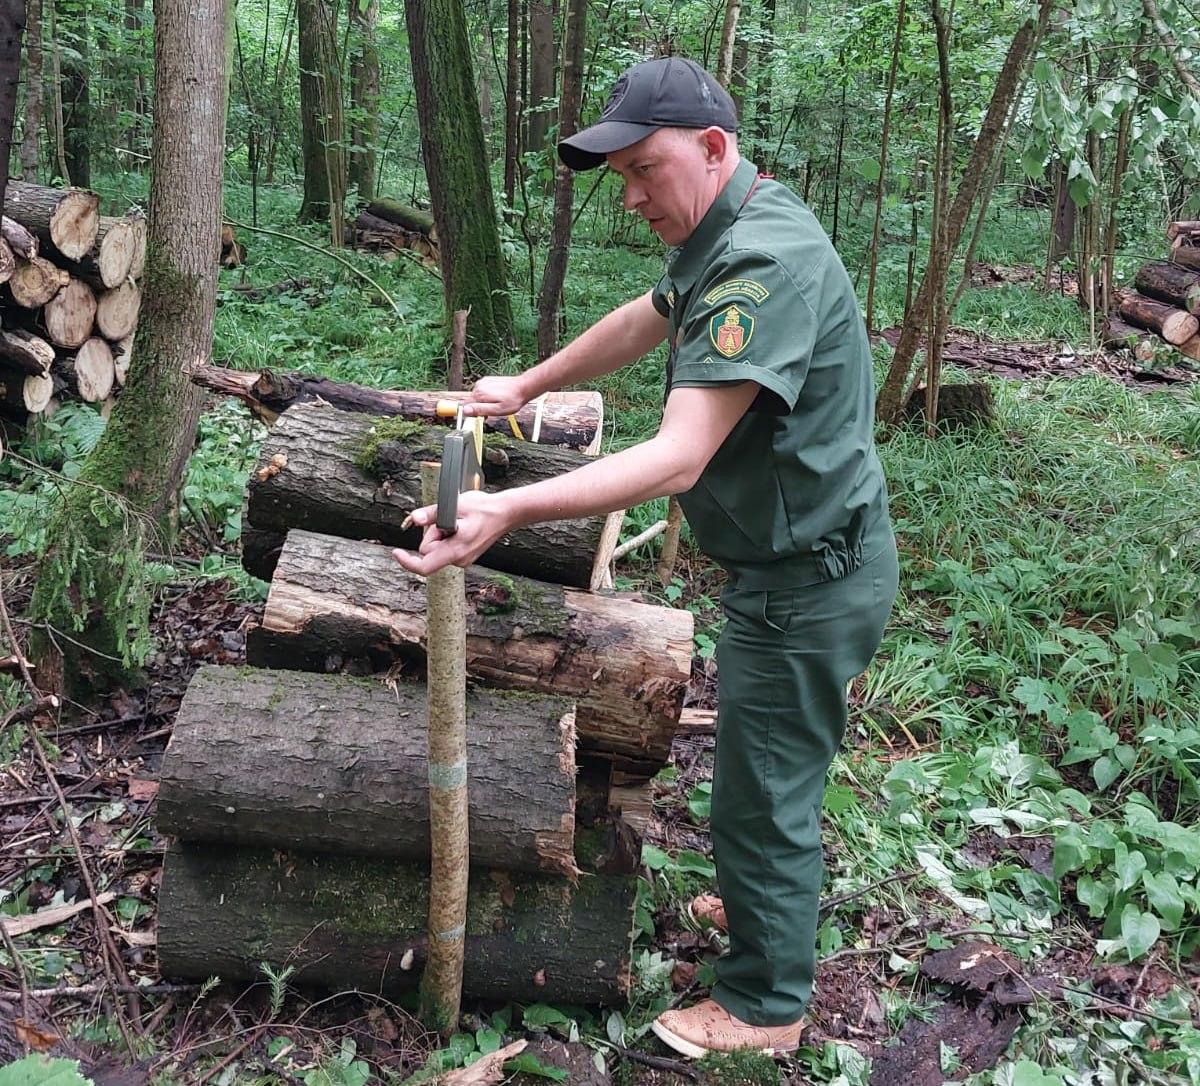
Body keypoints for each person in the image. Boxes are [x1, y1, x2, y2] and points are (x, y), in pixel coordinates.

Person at [393, 56, 898, 1059]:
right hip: (792, 567)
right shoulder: (731, 224)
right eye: (618, 175)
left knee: (764, 792)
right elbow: (645, 319)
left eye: (644, 169)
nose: (629, 198)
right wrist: (522, 386)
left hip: (814, 578)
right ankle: (765, 906)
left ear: (712, 150)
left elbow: (678, 456)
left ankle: (764, 1007)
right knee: (764, 781)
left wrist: (504, 510)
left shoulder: (764, 263)